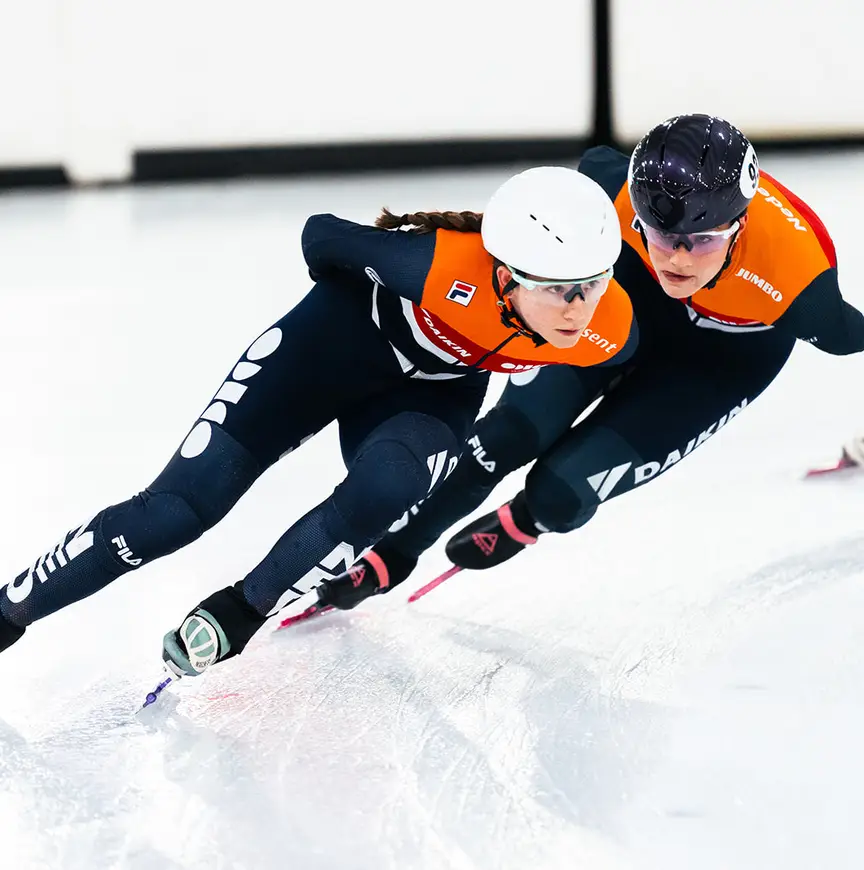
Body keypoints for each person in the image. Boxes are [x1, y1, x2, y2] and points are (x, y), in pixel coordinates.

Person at [0, 166, 637, 677]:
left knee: (390, 486)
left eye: (593, 282)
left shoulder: (608, 326)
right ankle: (9, 611)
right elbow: (321, 235)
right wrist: (337, 311)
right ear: (503, 276)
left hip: (430, 394)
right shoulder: (433, 267)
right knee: (174, 513)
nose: (579, 307)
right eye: (557, 288)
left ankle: (241, 611)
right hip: (328, 350)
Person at [310, 113, 864, 612]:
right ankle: (394, 554)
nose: (674, 256)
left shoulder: (801, 285)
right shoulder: (612, 186)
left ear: (739, 226)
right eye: (660, 232)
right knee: (502, 437)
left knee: (562, 492)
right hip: (626, 308)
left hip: (722, 362)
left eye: (699, 242)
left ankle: (525, 521)